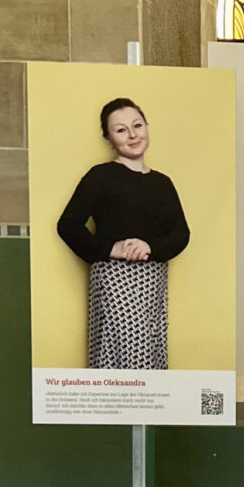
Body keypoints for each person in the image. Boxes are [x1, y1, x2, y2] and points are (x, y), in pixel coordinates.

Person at [57, 98, 189, 370]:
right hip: (113, 280)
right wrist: (110, 249)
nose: (132, 135)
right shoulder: (100, 176)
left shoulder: (162, 183)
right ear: (108, 139)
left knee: (151, 356)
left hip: (153, 282)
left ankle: (147, 412)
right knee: (117, 358)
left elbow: (180, 233)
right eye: (120, 130)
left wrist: (149, 247)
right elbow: (68, 224)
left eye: (137, 125)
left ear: (147, 127)